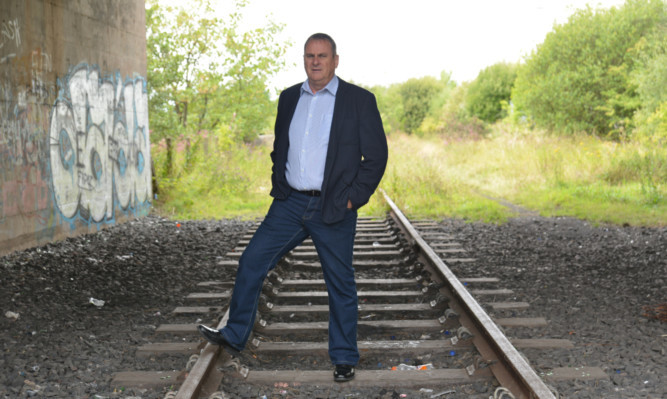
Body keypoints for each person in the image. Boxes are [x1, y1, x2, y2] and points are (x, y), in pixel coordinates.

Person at [198, 32, 388, 383]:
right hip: (289, 204)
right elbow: (279, 148)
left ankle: (344, 357)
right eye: (309, 55)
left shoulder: (359, 100)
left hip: (332, 206)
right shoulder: (289, 98)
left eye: (322, 55)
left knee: (340, 283)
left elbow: (375, 158)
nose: (315, 61)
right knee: (252, 261)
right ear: (304, 59)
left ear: (335, 60)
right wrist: (279, 182)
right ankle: (235, 334)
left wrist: (351, 198)